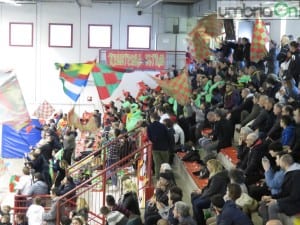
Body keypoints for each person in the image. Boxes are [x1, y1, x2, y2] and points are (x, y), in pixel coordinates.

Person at [191, 159, 229, 225]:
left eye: (208, 166)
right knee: (193, 195)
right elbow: (209, 187)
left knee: (197, 203)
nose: (207, 167)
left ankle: (200, 222)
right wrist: (202, 190)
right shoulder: (216, 174)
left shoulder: (218, 178)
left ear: (212, 167)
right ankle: (196, 217)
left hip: (217, 197)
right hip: (213, 194)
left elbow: (211, 191)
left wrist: (202, 194)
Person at [263, 154, 300, 220]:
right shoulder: (290, 173)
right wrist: (272, 197)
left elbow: (295, 196)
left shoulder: (296, 175)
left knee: (272, 207)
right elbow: (285, 192)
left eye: (277, 159)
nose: (276, 161)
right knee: (264, 203)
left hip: (296, 204)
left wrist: (277, 201)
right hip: (291, 200)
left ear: (283, 162)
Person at [147, 112, 171, 180]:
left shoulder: (149, 127)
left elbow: (149, 138)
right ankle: (167, 178)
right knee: (165, 163)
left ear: (151, 118)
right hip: (164, 148)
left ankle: (158, 178)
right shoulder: (163, 126)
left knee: (157, 165)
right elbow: (168, 136)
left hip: (155, 148)